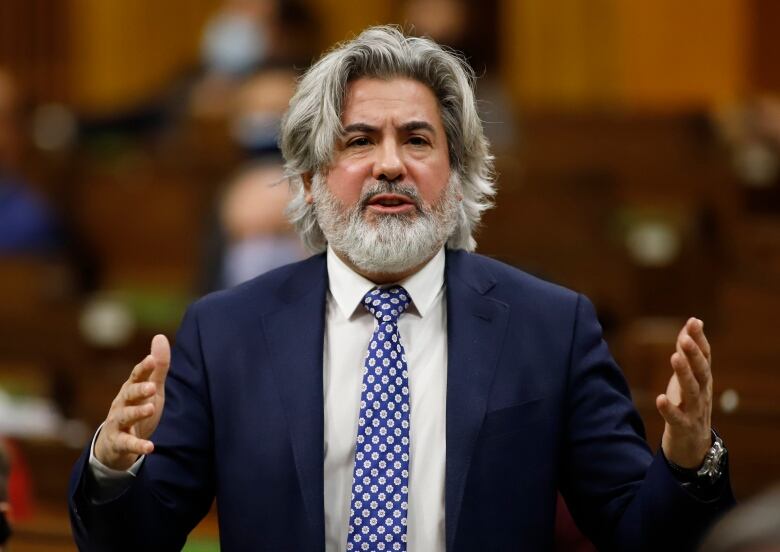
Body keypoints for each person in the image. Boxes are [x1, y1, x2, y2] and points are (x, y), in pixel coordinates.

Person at [69, 26, 735, 551]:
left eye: (417, 140)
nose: (390, 164)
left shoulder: (549, 328)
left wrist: (687, 461)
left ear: (460, 174)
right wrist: (112, 464)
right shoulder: (227, 333)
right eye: (359, 141)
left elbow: (642, 533)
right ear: (308, 180)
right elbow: (134, 540)